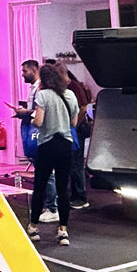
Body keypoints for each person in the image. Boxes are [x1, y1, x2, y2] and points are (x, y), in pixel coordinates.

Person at [26, 62, 79, 247]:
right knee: (63, 189)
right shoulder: (70, 94)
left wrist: (32, 120)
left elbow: (39, 122)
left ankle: (34, 228)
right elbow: (73, 123)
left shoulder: (42, 95)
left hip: (47, 145)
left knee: (40, 187)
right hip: (65, 145)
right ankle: (63, 231)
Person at [9, 59, 57, 222]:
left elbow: (40, 111)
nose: (22, 75)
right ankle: (48, 205)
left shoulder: (42, 88)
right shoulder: (35, 88)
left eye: (25, 71)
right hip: (36, 133)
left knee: (46, 171)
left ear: (35, 70)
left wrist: (25, 112)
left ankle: (52, 208)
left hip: (40, 134)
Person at [65, 68, 93, 210]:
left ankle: (80, 197)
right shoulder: (70, 87)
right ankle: (76, 195)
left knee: (76, 164)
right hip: (73, 130)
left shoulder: (74, 87)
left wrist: (74, 126)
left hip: (77, 131)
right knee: (73, 164)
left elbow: (83, 108)